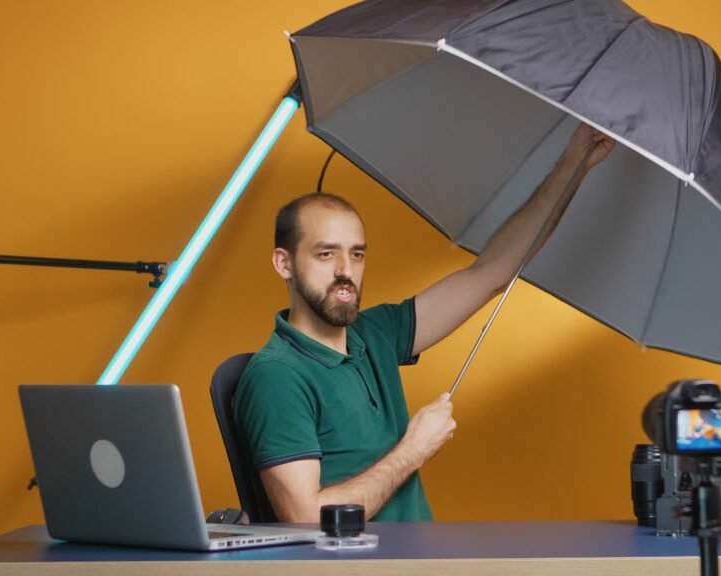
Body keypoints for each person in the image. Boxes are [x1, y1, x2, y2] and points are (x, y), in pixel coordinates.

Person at [234, 123, 615, 522]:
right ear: (284, 263)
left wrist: (576, 161)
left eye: (358, 255)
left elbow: (492, 272)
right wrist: (412, 451)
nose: (346, 271)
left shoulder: (374, 333)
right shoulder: (276, 376)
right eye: (326, 254)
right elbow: (307, 520)